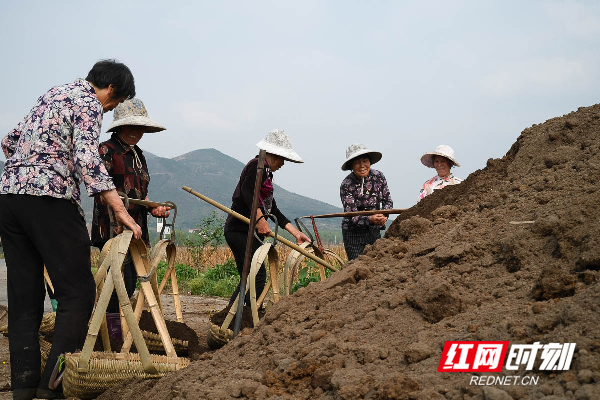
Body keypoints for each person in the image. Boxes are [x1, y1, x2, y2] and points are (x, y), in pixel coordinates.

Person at [0, 60, 142, 400]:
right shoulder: (89, 102)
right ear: (110, 90)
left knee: (24, 296)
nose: (109, 110)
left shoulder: (51, 94)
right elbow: (86, 157)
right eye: (115, 103)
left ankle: (22, 386)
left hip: (9, 197)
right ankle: (52, 387)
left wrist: (28, 167)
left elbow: (9, 141)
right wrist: (119, 208)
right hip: (50, 199)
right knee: (77, 293)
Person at [91, 98, 170, 340]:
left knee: (131, 281)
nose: (137, 132)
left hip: (137, 231)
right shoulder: (106, 151)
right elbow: (100, 190)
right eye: (131, 126)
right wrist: (122, 208)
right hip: (113, 229)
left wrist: (152, 208)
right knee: (115, 285)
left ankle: (119, 331)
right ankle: (111, 337)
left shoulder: (139, 156)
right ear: (119, 127)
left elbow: (140, 193)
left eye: (140, 127)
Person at [225, 129, 310, 306]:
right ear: (272, 154)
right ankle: (238, 317)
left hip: (248, 233)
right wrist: (260, 220)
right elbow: (249, 194)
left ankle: (236, 316)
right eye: (282, 158)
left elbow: (274, 210)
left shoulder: (266, 174)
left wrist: (295, 233)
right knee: (256, 276)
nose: (283, 164)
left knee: (250, 276)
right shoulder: (255, 166)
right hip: (240, 230)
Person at [340, 143, 393, 261]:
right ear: (351, 166)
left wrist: (383, 216)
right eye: (357, 162)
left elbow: (387, 200)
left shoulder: (378, 176)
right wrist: (370, 219)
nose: (362, 166)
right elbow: (352, 215)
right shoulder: (346, 185)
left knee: (376, 265)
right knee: (357, 268)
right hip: (353, 233)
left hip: (374, 229)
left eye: (365, 161)